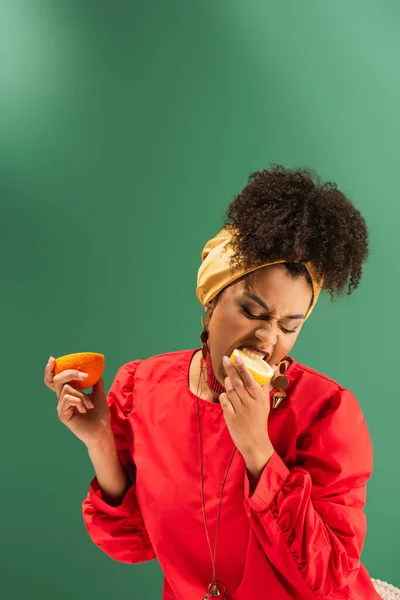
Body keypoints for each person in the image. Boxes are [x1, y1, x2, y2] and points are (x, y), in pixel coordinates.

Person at [44, 165, 382, 600]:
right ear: (209, 304)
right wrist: (100, 443)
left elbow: (330, 575)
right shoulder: (141, 388)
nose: (267, 338)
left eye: (288, 326)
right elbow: (132, 545)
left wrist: (259, 452)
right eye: (252, 312)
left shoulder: (326, 412)